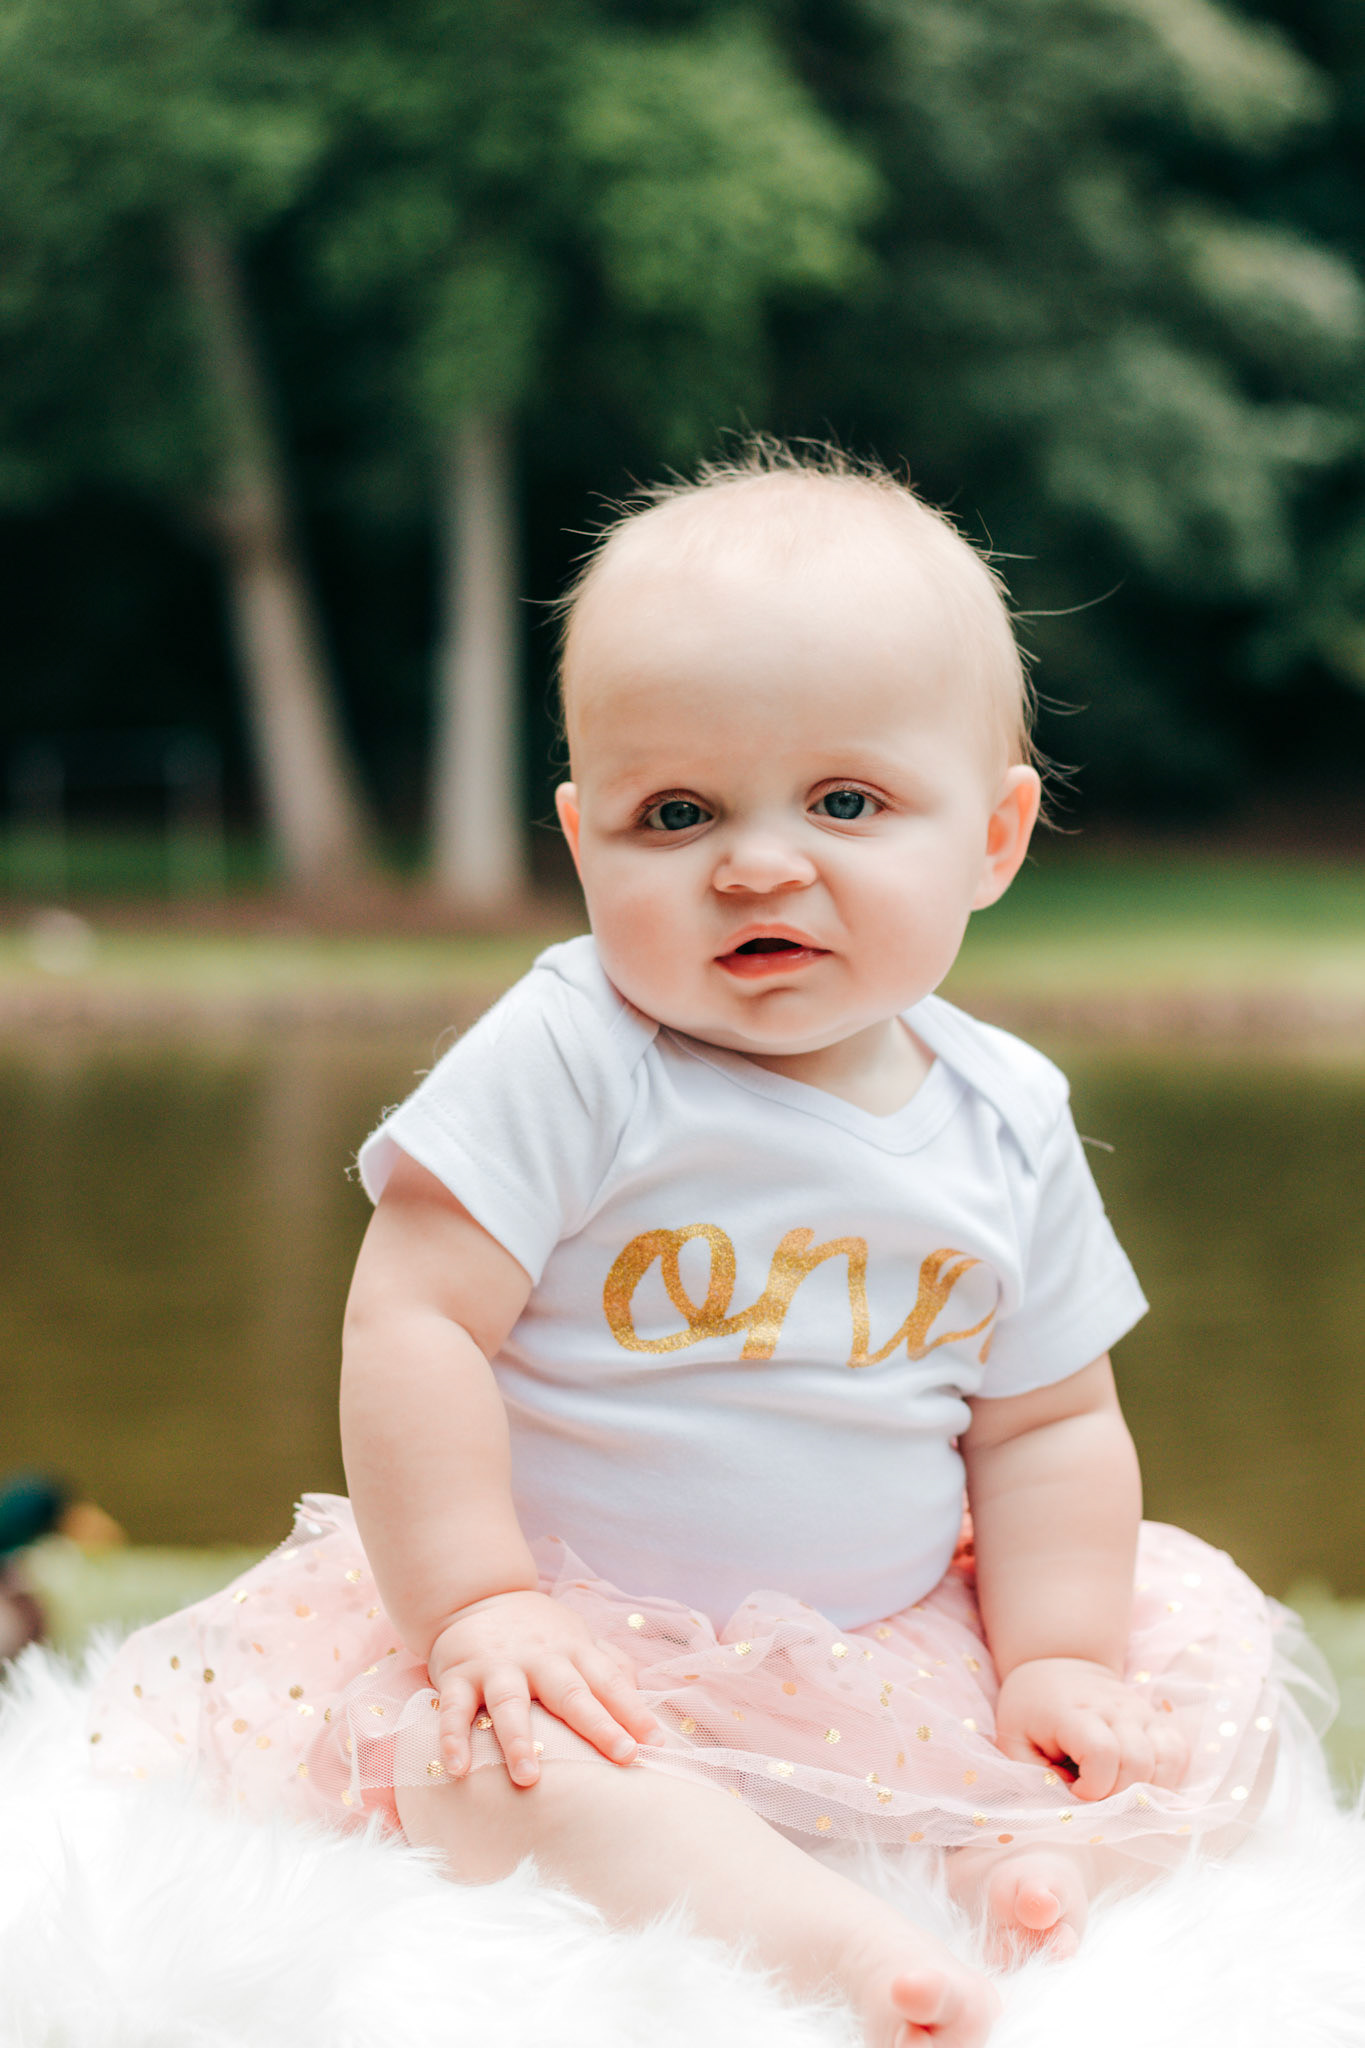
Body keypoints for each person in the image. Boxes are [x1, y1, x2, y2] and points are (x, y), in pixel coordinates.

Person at [88, 445, 1328, 2048]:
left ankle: (1031, 1866)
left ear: (994, 838)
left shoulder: (1005, 1113)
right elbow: (414, 1323)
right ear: (582, 839)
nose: (755, 862)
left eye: (845, 803)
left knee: (1198, 1708)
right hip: (580, 1638)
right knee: (489, 1770)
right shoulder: (574, 1054)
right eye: (674, 813)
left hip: (888, 1641)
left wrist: (1053, 1659)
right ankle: (829, 1944)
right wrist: (475, 1603)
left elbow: (1044, 1423)